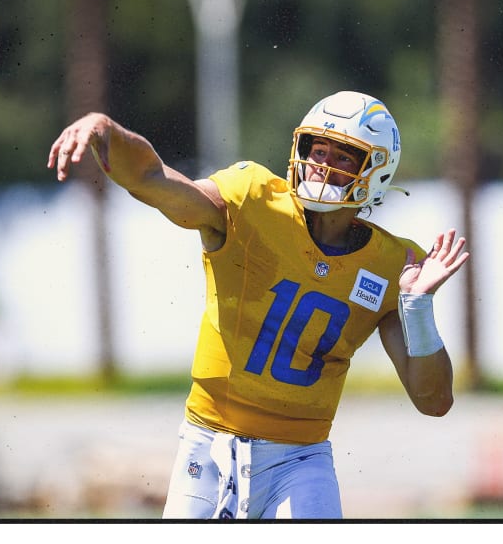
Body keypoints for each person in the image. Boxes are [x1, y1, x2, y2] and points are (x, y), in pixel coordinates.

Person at [48, 90, 469, 519]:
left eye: (343, 157)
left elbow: (433, 401)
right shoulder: (252, 200)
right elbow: (156, 181)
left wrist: (417, 307)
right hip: (207, 446)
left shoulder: (391, 264)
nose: (322, 164)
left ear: (376, 170)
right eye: (317, 149)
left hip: (301, 460)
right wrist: (108, 131)